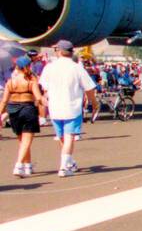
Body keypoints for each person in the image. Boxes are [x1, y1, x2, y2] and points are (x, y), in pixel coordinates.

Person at [38, 40, 98, 177]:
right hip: (72, 107)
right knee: (69, 136)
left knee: (62, 137)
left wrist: (44, 97)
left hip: (55, 108)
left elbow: (44, 88)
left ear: (59, 51)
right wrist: (94, 103)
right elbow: (89, 88)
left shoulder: (49, 67)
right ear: (71, 52)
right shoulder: (77, 68)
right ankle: (64, 166)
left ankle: (69, 161)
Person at [0, 56, 47, 177]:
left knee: (21, 140)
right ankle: (19, 165)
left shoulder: (10, 82)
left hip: (13, 110)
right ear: (28, 67)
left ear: (17, 67)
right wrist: (45, 103)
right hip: (28, 109)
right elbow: (38, 98)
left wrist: (0, 114)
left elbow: (4, 101)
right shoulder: (31, 81)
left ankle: (28, 166)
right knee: (27, 139)